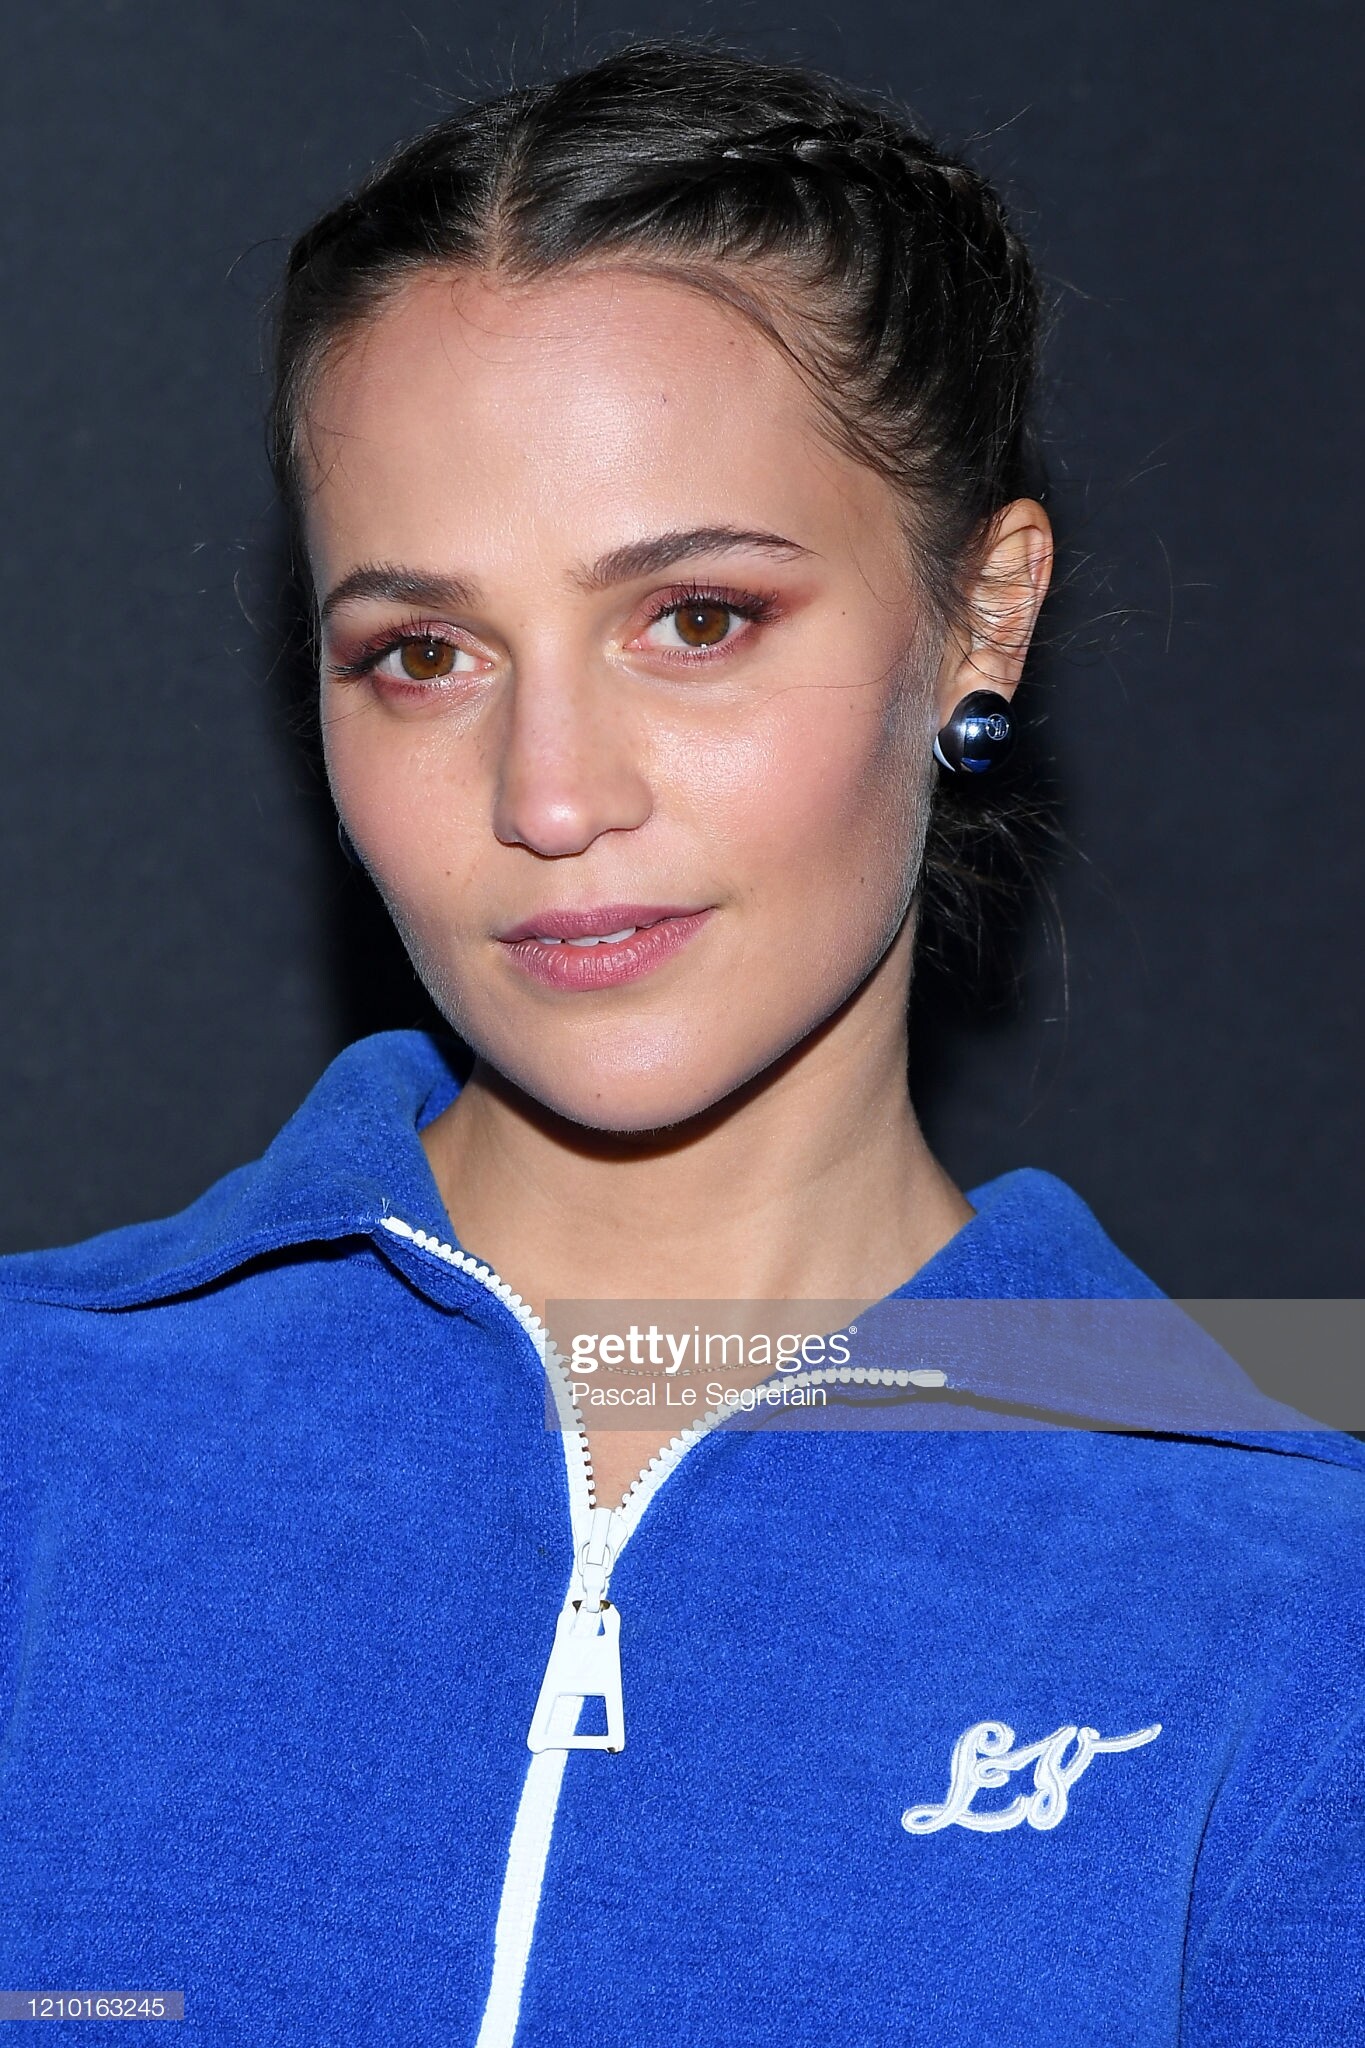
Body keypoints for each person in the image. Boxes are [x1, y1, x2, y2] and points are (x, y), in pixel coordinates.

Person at [1, 39, 1361, 2048]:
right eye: (422, 653)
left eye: (696, 619)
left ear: (978, 619)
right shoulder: (36, 1440)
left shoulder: (1289, 1606)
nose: (550, 794)